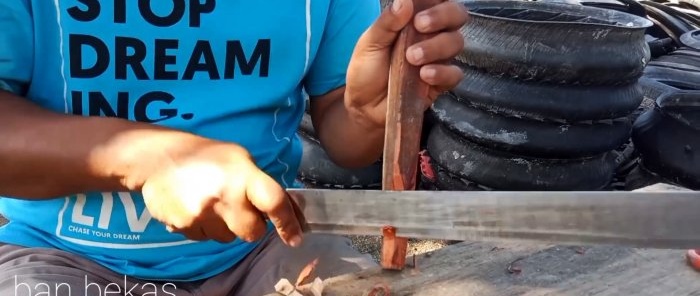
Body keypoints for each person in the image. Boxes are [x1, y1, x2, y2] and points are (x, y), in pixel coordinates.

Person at [0, 0, 468, 295]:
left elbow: (343, 135)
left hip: (267, 246)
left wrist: (368, 116)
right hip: (60, 257)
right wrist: (148, 157)